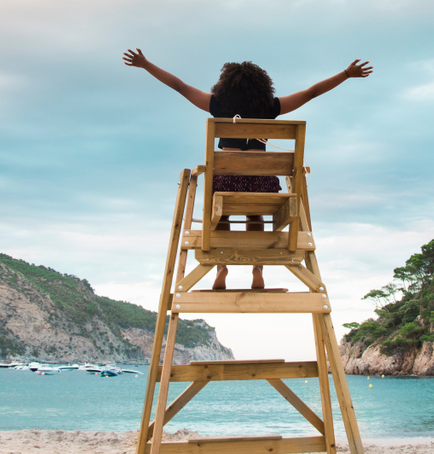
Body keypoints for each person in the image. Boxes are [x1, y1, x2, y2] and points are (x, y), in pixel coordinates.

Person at [122, 49, 373, 289]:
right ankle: (257, 268)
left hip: (225, 184)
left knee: (220, 211)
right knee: (255, 213)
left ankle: (221, 267)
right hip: (262, 185)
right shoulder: (271, 107)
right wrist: (346, 74)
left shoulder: (216, 105)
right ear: (262, 85)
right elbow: (311, 93)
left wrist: (145, 65)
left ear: (224, 85)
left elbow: (179, 86)